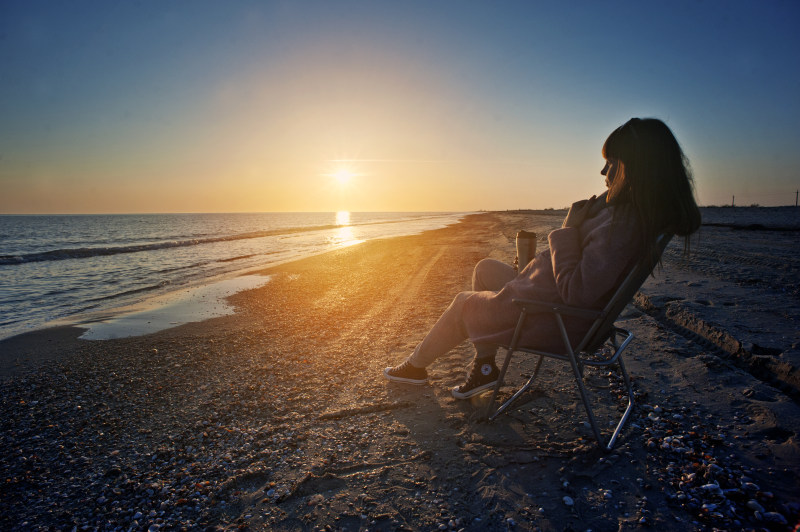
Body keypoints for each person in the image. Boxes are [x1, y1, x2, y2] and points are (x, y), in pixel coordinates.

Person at [384, 118, 702, 399]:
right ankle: (485, 369)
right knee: (485, 270)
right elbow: (580, 273)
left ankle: (415, 368)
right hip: (545, 303)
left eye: (612, 162)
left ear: (633, 168)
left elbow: (576, 293)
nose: (603, 171)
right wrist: (535, 268)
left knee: (464, 302)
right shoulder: (624, 217)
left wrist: (568, 228)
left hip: (551, 318)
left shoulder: (622, 227)